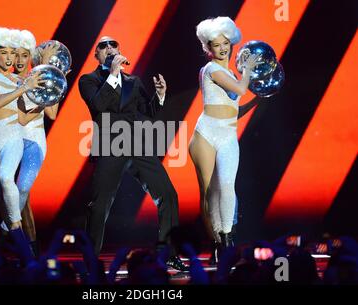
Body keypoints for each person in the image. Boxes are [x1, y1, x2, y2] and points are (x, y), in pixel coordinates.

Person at [78, 36, 187, 271]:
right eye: (103, 46)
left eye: (113, 45)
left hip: (137, 144)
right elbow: (98, 106)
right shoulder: (89, 80)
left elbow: (147, 112)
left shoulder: (134, 82)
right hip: (110, 145)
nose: (109, 48)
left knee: (168, 194)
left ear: (120, 49)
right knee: (99, 205)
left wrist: (159, 96)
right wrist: (114, 74)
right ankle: (90, 259)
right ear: (96, 55)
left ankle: (168, 253)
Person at [189, 17, 260, 250]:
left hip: (228, 133)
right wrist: (248, 70)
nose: (222, 48)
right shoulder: (210, 69)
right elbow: (241, 88)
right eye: (216, 45)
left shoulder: (229, 72)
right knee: (211, 193)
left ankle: (227, 239)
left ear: (231, 43)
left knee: (228, 187)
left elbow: (233, 110)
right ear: (208, 48)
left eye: (225, 43)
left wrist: (257, 101)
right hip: (206, 133)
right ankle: (217, 242)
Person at [0, 27, 43, 234]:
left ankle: (19, 237)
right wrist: (23, 88)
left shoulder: (18, 81)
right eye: (4, 52)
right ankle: (11, 238)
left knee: (7, 178)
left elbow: (22, 118)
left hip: (12, 137)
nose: (9, 57)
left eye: (12, 53)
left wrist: (44, 103)